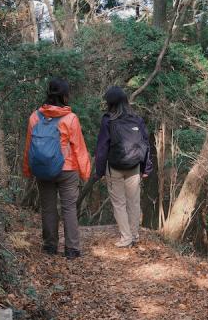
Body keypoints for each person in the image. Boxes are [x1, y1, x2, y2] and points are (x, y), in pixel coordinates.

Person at [23, 78, 91, 259]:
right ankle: (72, 249)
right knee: (69, 208)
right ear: (65, 96)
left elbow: (29, 146)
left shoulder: (34, 117)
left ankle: (50, 246)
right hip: (67, 169)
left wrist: (27, 169)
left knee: (48, 208)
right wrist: (85, 172)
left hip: (43, 169)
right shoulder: (70, 118)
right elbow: (79, 147)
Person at [93, 86, 153, 247]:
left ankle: (126, 238)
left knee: (119, 203)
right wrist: (146, 168)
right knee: (134, 202)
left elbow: (102, 147)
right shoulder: (137, 119)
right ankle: (134, 235)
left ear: (110, 103)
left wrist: (99, 171)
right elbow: (145, 144)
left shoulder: (108, 120)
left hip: (114, 168)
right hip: (134, 166)